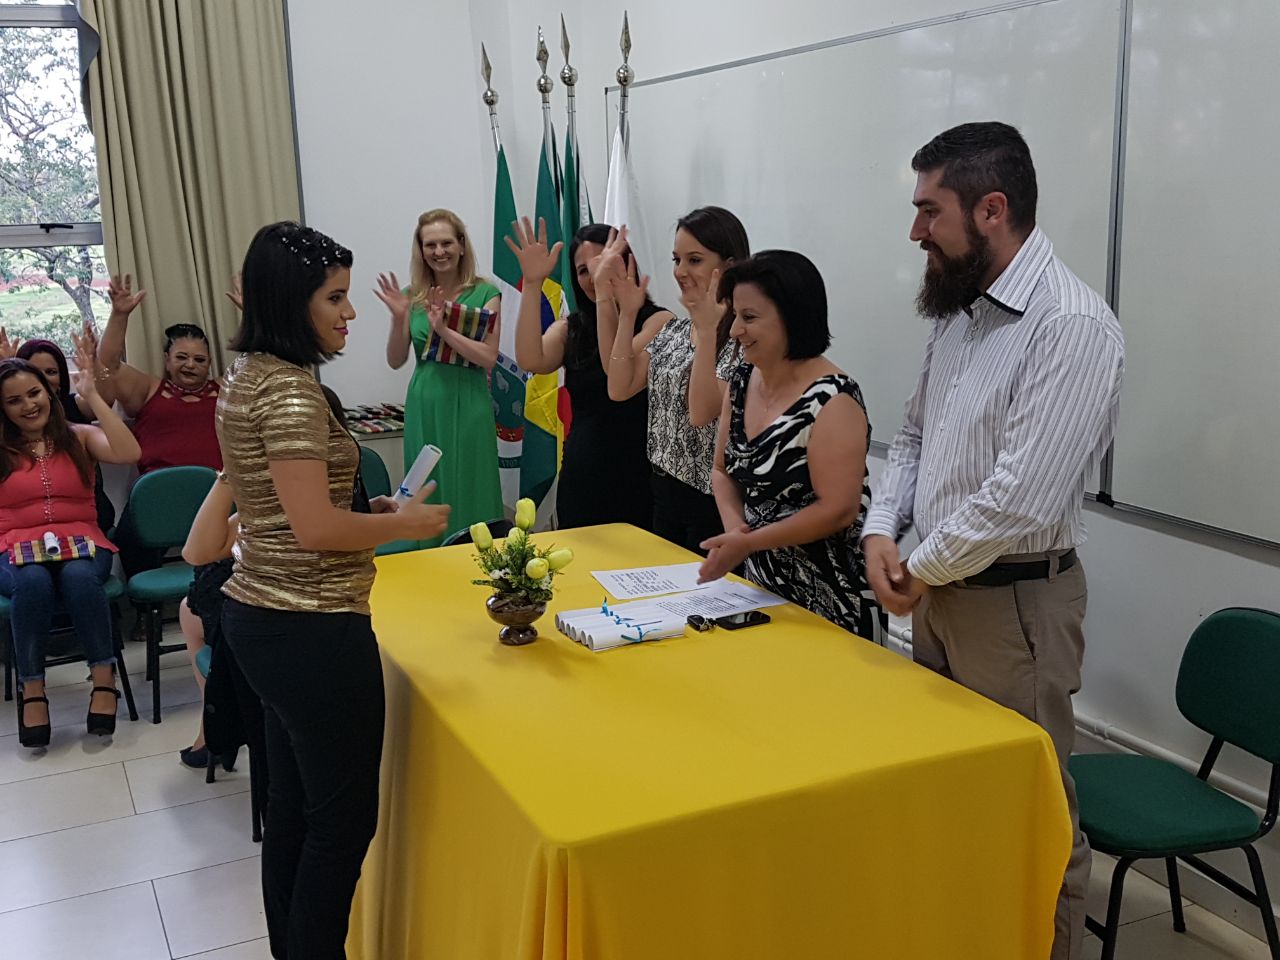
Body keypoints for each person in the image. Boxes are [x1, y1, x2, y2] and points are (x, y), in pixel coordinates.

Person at [861, 122, 1124, 960]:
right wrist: (881, 530)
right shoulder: (962, 314)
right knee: (954, 789)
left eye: (928, 211)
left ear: (991, 210)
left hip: (1016, 610)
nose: (915, 232)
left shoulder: (1070, 326)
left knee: (1031, 816)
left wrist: (916, 565)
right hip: (944, 592)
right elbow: (912, 436)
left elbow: (1019, 500)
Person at [218, 220, 450, 959]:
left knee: (292, 809)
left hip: (262, 612)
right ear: (292, 302)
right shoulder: (289, 393)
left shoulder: (249, 373)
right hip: (310, 624)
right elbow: (315, 528)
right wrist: (401, 524)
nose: (349, 313)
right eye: (335, 298)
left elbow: (284, 509)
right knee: (342, 825)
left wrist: (367, 510)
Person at [697, 250, 871, 633]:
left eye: (749, 318)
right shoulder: (742, 380)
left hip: (828, 598)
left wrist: (749, 542)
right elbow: (721, 470)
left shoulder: (833, 399)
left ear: (793, 317)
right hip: (758, 587)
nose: (734, 331)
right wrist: (737, 531)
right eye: (734, 316)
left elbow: (838, 509)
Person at [0, 334, 142, 748]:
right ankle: (32, 688)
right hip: (13, 548)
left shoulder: (79, 436)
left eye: (34, 393)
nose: (28, 405)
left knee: (80, 575)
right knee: (32, 580)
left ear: (49, 392)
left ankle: (103, 678)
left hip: (83, 542)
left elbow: (129, 451)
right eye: (14, 401)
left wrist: (93, 396)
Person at [506, 217, 672, 530]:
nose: (595, 276)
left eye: (602, 263)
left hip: (641, 478)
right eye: (584, 270)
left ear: (627, 263)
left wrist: (608, 296)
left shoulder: (658, 321)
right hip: (583, 477)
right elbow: (530, 358)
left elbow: (616, 371)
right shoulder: (572, 328)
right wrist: (532, 283)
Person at [602, 208, 750, 552]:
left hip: (711, 502)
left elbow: (702, 413)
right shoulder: (675, 330)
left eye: (694, 260)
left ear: (728, 266)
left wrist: (708, 330)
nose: (680, 271)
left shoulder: (743, 340)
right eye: (676, 259)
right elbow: (619, 387)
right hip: (662, 490)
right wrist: (627, 314)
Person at [375, 208, 502, 548]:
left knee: (471, 480)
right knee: (428, 484)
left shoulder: (486, 293)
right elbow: (396, 360)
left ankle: (477, 555)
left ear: (461, 245)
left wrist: (443, 330)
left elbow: (488, 357)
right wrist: (398, 318)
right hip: (426, 400)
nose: (439, 251)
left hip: (470, 398)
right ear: (421, 249)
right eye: (430, 244)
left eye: (446, 243)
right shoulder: (411, 295)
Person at [96, 275, 222, 474]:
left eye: (200, 360)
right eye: (181, 357)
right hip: (159, 487)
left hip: (221, 486)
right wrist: (119, 315)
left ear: (209, 364)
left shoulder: (227, 390)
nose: (190, 365)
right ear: (167, 360)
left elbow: (266, 368)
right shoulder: (149, 389)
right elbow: (108, 367)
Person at [3, 329, 117, 532]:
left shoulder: (76, 412)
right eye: (34, 371)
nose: (43, 378)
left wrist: (95, 368)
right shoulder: (9, 428)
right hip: (26, 532)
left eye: (51, 372)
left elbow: (105, 400)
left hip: (85, 523)